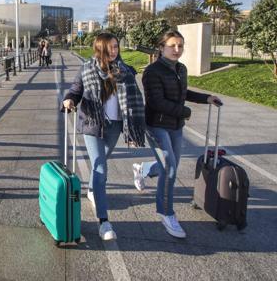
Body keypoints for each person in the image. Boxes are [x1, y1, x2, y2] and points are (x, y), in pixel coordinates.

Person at [131, 30, 222, 238]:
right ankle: (166, 213)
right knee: (170, 169)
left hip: (176, 125)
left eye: (180, 45)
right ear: (161, 48)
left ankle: (143, 169)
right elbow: (156, 102)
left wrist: (206, 98)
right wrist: (186, 112)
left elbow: (183, 93)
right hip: (156, 125)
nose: (177, 49)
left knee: (170, 164)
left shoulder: (181, 68)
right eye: (172, 45)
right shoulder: (153, 71)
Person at [62, 32, 145, 241]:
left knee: (101, 162)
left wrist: (134, 124)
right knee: (100, 166)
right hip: (92, 123)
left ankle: (92, 189)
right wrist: (69, 100)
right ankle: (104, 222)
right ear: (100, 49)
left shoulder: (125, 71)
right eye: (109, 47)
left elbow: (134, 99)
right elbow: (75, 90)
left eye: (116, 46)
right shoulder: (87, 69)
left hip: (115, 125)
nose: (114, 51)